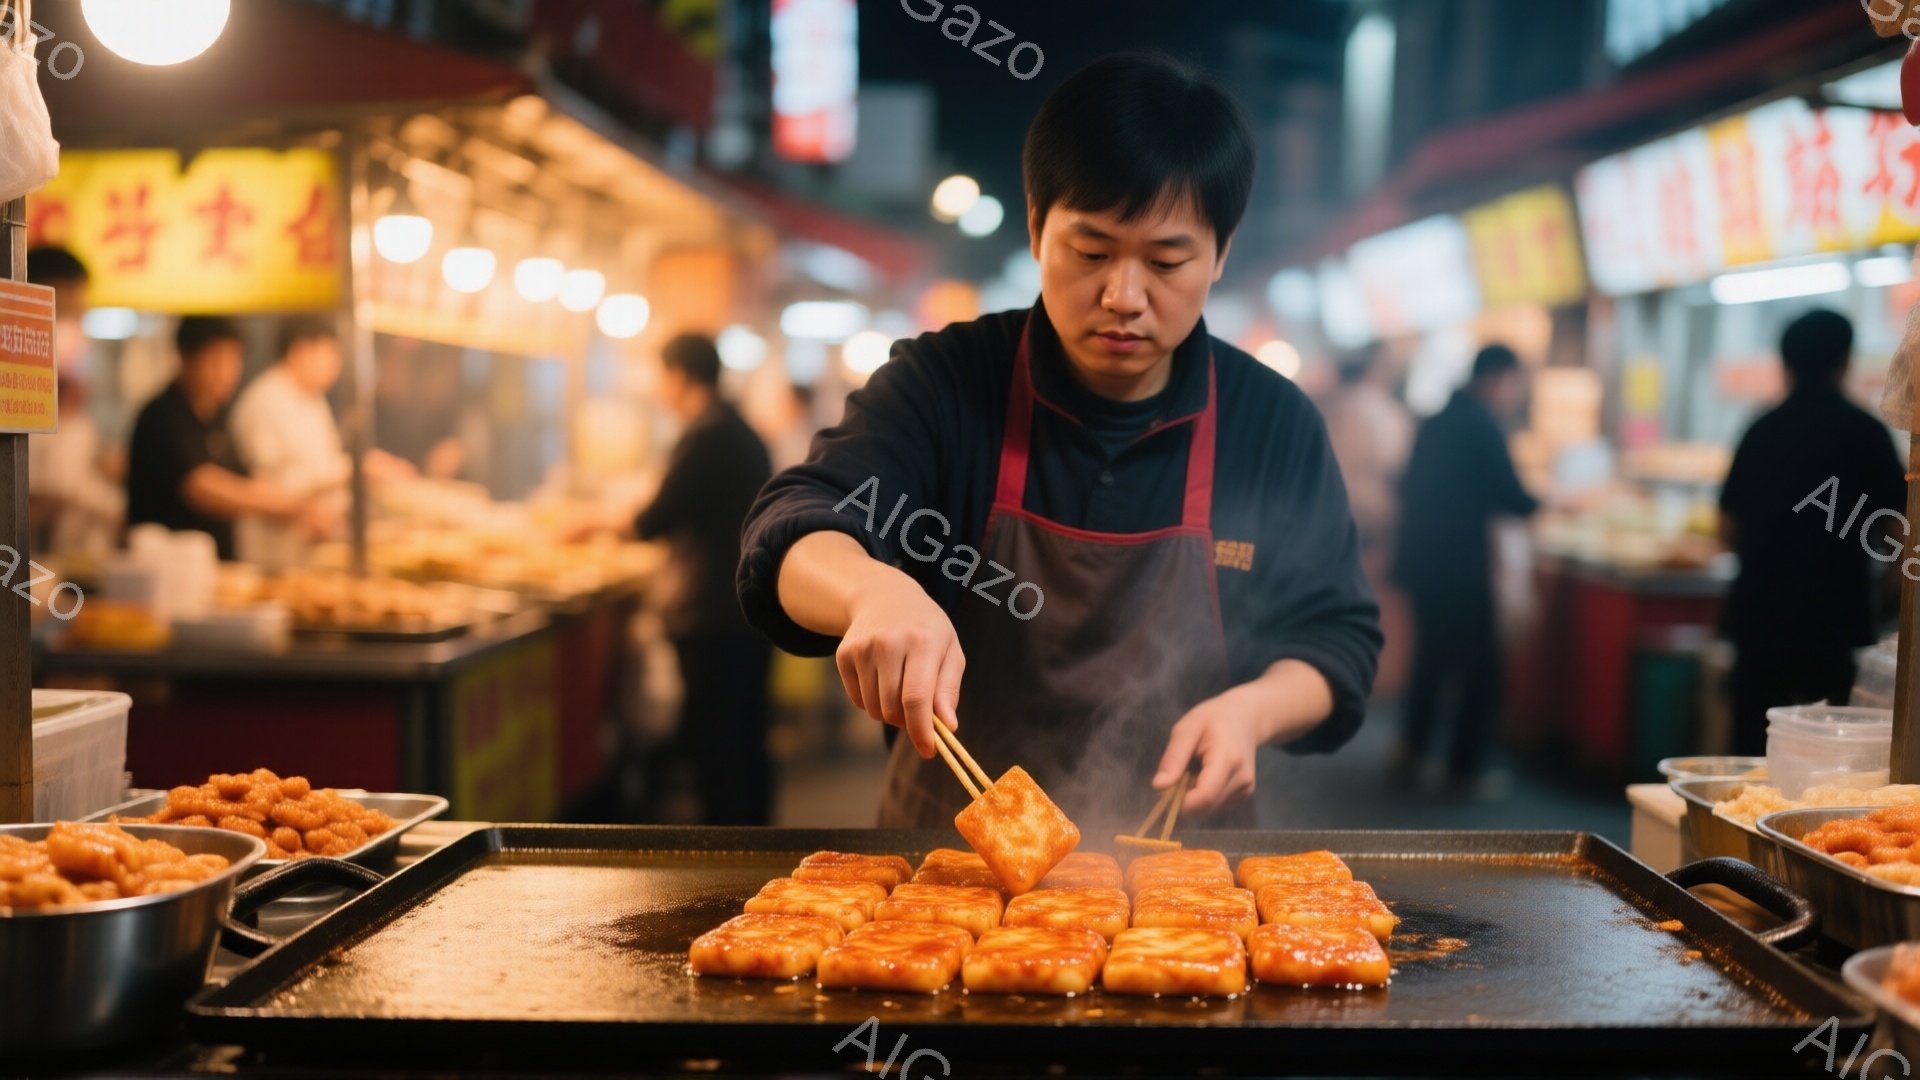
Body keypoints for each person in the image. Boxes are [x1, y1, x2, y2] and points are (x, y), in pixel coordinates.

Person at [737, 53, 1382, 830]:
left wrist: (1255, 711)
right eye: (1093, 252)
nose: (1123, 297)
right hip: (943, 868)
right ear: (1039, 225)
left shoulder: (1273, 421)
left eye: (1167, 261)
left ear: (1222, 251)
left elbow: (1337, 636)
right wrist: (869, 589)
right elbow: (798, 518)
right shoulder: (945, 381)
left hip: (1179, 879)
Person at [1719, 310, 1906, 755]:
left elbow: (1726, 530)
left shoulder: (1762, 430)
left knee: (1752, 744)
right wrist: (1886, 592)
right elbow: (1901, 532)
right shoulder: (1866, 433)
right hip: (1836, 622)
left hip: (1760, 617)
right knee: (1831, 750)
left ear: (1784, 363)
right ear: (1845, 362)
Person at [637, 333, 775, 824]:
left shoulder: (708, 434)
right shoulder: (736, 429)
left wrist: (592, 521)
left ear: (678, 375)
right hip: (745, 609)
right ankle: (753, 843)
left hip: (714, 613)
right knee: (743, 736)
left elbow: (654, 517)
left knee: (717, 742)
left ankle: (732, 849)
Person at [1391, 344, 1539, 790]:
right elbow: (1512, 496)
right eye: (1515, 384)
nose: (1515, 394)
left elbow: (1406, 483)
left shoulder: (1436, 420)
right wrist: (1558, 502)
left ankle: (1412, 750)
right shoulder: (1483, 425)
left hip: (1423, 561)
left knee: (1431, 659)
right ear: (1496, 378)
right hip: (1461, 565)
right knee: (1481, 668)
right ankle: (1464, 768)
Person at [124, 317, 325, 560]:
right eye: (215, 360)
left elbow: (244, 476)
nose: (226, 373)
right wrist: (285, 505)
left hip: (217, 563)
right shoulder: (162, 414)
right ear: (185, 358)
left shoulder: (216, 415)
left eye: (233, 361)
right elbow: (200, 487)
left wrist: (297, 504)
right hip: (165, 568)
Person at [229, 317, 407, 567]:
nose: (336, 365)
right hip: (274, 550)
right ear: (299, 351)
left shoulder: (313, 400)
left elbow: (324, 462)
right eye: (330, 354)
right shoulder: (264, 400)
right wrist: (353, 469)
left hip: (314, 543)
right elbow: (265, 484)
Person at [24, 246, 123, 556]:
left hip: (65, 550)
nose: (80, 312)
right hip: (27, 548)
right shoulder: (23, 349)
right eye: (73, 301)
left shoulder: (63, 352)